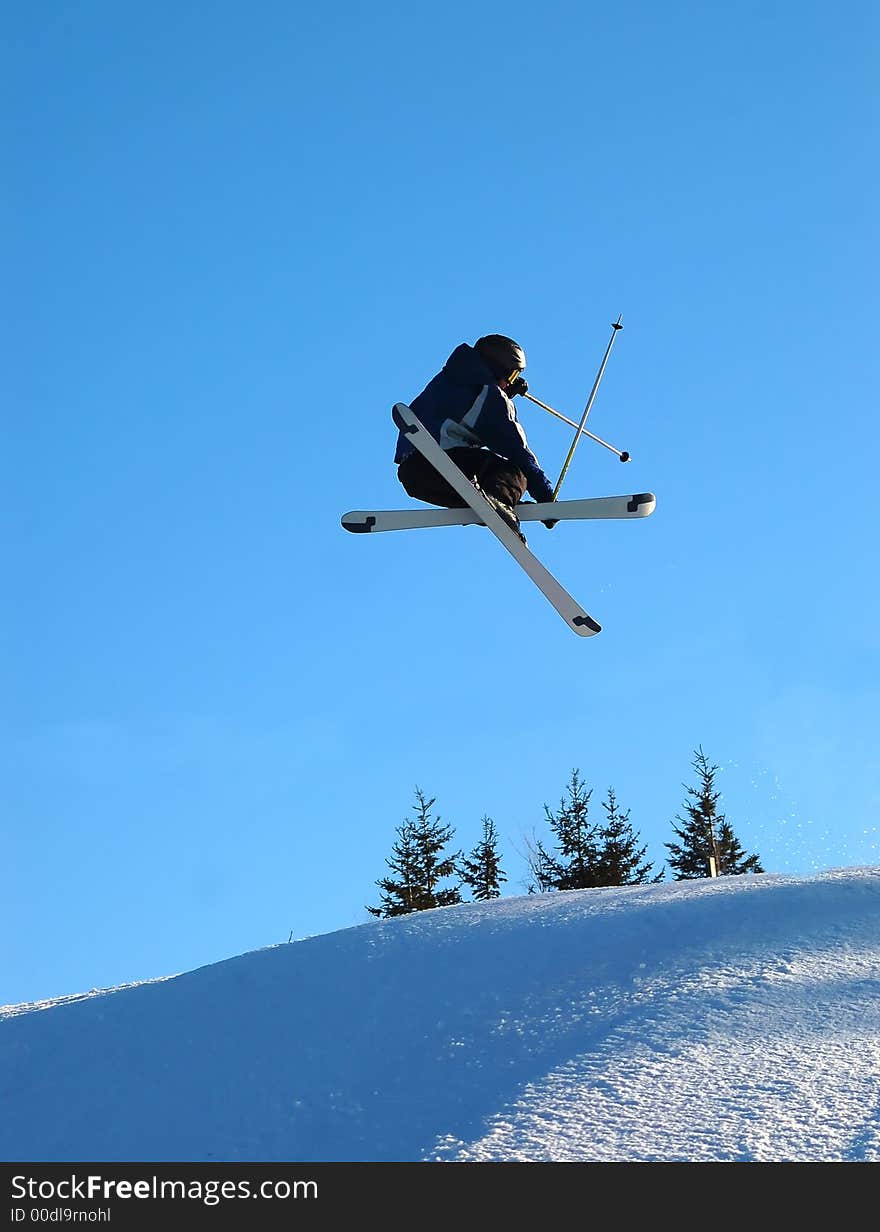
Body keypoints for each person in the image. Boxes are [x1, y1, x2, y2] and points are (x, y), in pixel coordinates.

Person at [394, 334, 557, 541]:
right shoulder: (489, 396)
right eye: (512, 375)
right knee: (515, 473)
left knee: (479, 487)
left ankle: (494, 502)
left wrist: (502, 390)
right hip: (443, 464)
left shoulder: (450, 377)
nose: (510, 382)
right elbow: (516, 449)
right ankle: (499, 502)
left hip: (413, 474)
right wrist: (544, 493)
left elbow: (462, 406)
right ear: (500, 368)